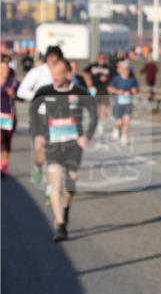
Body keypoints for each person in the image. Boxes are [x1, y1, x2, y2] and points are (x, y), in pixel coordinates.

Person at [30, 57, 98, 241]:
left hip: (73, 146)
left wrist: (87, 135)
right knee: (55, 184)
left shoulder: (79, 92)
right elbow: (34, 113)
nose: (55, 78)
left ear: (68, 74)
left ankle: (66, 206)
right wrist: (37, 134)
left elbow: (94, 114)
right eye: (53, 74)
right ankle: (60, 225)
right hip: (53, 144)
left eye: (59, 74)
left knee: (70, 186)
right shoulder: (44, 92)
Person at [18, 45, 60, 185]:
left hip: (58, 117)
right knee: (40, 149)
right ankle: (38, 167)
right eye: (50, 57)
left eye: (56, 57)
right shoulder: (37, 72)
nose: (53, 60)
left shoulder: (63, 72)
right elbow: (21, 91)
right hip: (39, 116)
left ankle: (52, 186)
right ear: (46, 58)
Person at [108, 59, 140, 146]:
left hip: (128, 104)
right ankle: (116, 128)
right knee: (119, 122)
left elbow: (137, 89)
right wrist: (118, 91)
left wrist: (134, 90)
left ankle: (124, 137)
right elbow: (109, 88)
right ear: (122, 69)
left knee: (127, 121)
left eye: (128, 69)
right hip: (118, 104)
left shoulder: (132, 79)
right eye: (126, 69)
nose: (127, 71)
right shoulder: (116, 79)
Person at [1, 54, 19, 177]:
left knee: (6, 142)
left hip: (9, 117)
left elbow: (21, 96)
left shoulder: (13, 82)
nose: (5, 69)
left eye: (7, 67)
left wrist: (13, 94)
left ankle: (4, 165)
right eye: (3, 67)